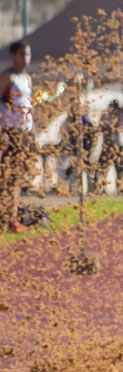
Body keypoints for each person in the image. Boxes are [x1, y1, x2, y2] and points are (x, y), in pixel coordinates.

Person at [0, 41, 34, 234]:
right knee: (5, 177)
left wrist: (32, 131)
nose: (26, 58)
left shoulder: (27, 79)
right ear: (13, 56)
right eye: (22, 54)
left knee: (16, 178)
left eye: (28, 54)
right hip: (9, 133)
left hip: (23, 133)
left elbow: (28, 106)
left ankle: (11, 218)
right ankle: (5, 218)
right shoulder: (7, 77)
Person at [94, 100, 123, 193]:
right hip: (107, 145)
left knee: (121, 167)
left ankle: (120, 187)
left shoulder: (119, 115)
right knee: (102, 168)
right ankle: (100, 188)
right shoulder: (105, 115)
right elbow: (100, 127)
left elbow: (120, 125)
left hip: (116, 145)